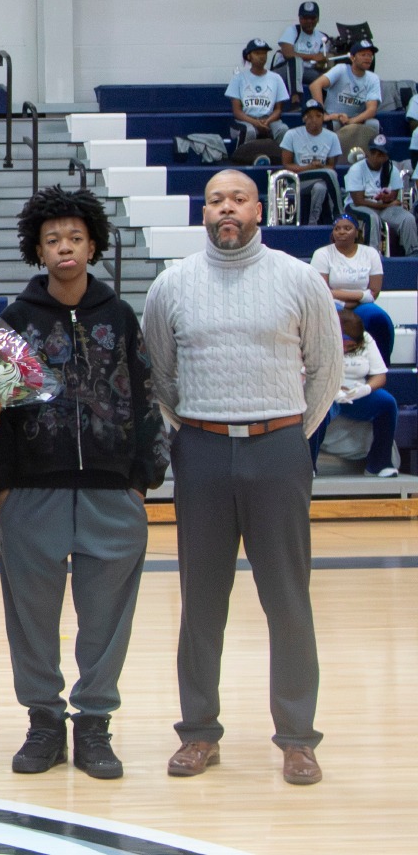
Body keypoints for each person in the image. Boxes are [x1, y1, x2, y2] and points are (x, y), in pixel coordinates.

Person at [142, 169, 342, 786]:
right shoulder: (171, 285)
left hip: (278, 448)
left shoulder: (300, 279)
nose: (226, 208)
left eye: (238, 199)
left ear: (260, 210)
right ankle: (199, 732)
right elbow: (162, 376)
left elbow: (326, 371)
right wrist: (200, 430)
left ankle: (297, 738)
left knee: (287, 598)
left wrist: (285, 435)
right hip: (199, 451)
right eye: (215, 200)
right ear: (203, 212)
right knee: (201, 601)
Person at [0, 187, 167, 780]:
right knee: (31, 615)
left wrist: (142, 479)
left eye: (75, 238)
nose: (65, 248)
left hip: (114, 494)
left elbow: (146, 397)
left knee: (107, 618)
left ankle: (95, 725)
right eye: (53, 239)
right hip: (31, 494)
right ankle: (43, 722)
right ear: (37, 247)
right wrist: (0, 486)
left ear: (94, 245)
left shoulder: (121, 315)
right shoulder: (13, 321)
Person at [306, 309, 399, 477]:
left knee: (387, 403)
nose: (347, 350)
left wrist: (365, 389)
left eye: (351, 347)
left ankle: (379, 463)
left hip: (356, 394)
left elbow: (380, 375)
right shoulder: (318, 339)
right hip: (327, 393)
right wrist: (331, 391)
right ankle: (308, 465)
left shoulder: (366, 339)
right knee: (318, 409)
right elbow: (305, 373)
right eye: (344, 345)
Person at [310, 214, 394, 365]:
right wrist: (354, 300)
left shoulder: (370, 253)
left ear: (357, 232)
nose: (341, 232)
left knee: (378, 318)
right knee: (337, 317)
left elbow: (374, 292)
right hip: (332, 303)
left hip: (362, 304)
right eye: (337, 229)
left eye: (347, 228)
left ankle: (380, 367)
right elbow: (322, 291)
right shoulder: (322, 254)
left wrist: (343, 295)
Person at [342, 135, 416, 254]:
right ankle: (373, 254)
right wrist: (388, 205)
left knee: (407, 218)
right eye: (373, 152)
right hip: (357, 208)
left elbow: (394, 196)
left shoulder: (391, 169)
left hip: (381, 207)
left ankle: (413, 252)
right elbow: (358, 201)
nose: (376, 156)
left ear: (386, 156)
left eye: (380, 154)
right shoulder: (356, 169)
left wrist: (388, 198)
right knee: (372, 218)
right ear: (367, 152)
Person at [310, 40, 382, 154]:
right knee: (331, 124)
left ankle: (370, 157)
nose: (368, 58)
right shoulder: (341, 69)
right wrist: (322, 114)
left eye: (370, 55)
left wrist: (351, 120)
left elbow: (372, 109)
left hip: (357, 119)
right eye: (363, 55)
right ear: (352, 57)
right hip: (335, 117)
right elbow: (315, 85)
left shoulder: (373, 78)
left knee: (373, 124)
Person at [278, 102, 343, 226]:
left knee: (321, 187)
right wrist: (309, 167)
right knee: (329, 174)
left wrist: (319, 167)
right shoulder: (291, 134)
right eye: (310, 116)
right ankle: (339, 212)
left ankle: (313, 221)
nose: (315, 120)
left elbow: (331, 165)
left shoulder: (332, 137)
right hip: (297, 179)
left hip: (321, 178)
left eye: (318, 116)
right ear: (304, 118)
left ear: (323, 117)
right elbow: (286, 165)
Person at [227, 40, 291, 144]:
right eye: (257, 53)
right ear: (249, 56)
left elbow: (278, 110)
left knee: (283, 130)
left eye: (264, 53)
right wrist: (255, 123)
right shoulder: (238, 78)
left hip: (268, 119)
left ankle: (280, 159)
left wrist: (267, 121)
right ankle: (245, 159)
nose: (262, 56)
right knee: (249, 132)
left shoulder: (276, 78)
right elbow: (237, 111)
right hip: (246, 120)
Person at [274, 1, 334, 105]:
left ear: (318, 19)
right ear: (300, 18)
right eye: (305, 18)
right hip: (285, 70)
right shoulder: (292, 30)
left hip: (308, 71)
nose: (309, 21)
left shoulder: (322, 37)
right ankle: (295, 98)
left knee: (330, 75)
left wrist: (323, 60)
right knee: (296, 61)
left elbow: (321, 63)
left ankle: (323, 106)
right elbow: (288, 53)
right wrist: (313, 57)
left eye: (312, 18)